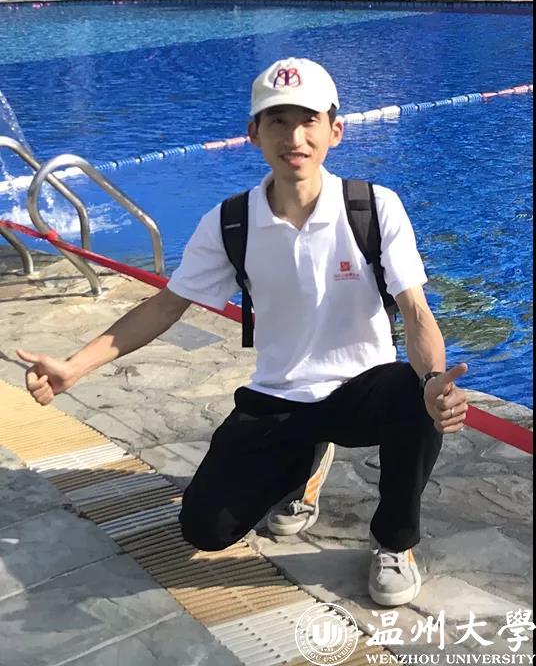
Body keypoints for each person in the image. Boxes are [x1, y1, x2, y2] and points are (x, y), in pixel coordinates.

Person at [18, 57, 468, 607]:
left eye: (308, 121)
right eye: (278, 121)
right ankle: (302, 467)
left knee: (418, 396)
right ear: (254, 133)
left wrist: (434, 380)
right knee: (205, 529)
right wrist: (74, 367)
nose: (294, 138)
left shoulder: (374, 207)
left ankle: (395, 541)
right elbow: (165, 307)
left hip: (362, 388)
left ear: (335, 130)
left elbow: (416, 310)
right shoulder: (232, 222)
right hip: (278, 397)